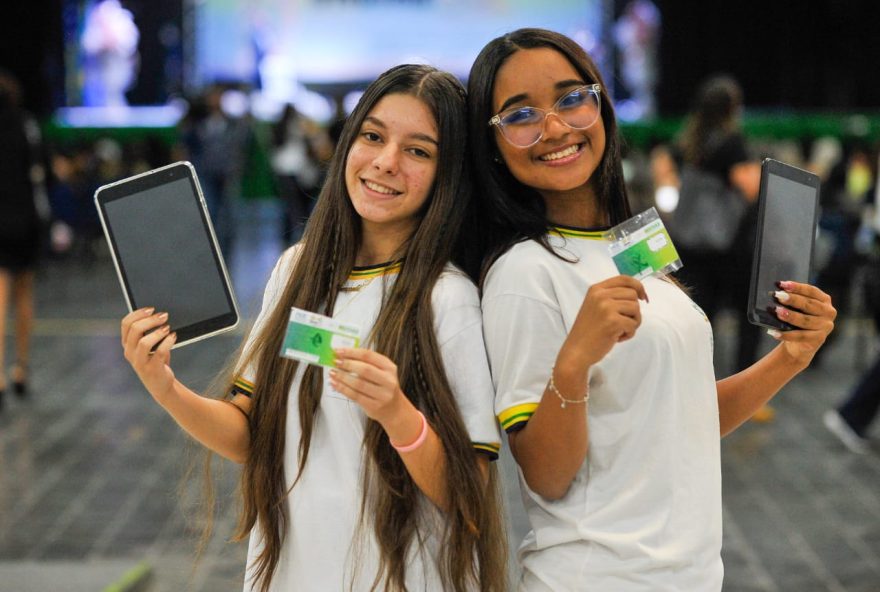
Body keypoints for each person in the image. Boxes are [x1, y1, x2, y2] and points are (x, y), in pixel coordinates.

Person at [466, 28, 836, 591]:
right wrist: (574, 361)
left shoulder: (633, 240)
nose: (556, 127)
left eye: (571, 98)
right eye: (521, 116)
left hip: (689, 575)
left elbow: (682, 415)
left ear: (600, 106)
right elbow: (544, 475)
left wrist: (790, 356)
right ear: (493, 144)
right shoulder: (522, 271)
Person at [121, 64, 506, 592]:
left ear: (447, 175)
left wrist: (399, 416)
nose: (386, 162)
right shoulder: (296, 271)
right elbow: (251, 437)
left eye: (418, 151)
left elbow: (469, 501)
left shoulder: (449, 298)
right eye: (372, 136)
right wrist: (165, 388)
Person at [675, 75, 764, 379]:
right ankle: (746, 385)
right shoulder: (732, 144)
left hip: (691, 243)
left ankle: (693, 382)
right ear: (732, 108)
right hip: (727, 248)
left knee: (700, 317)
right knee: (747, 318)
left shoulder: (690, 141)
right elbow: (751, 187)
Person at [0, 70, 44, 410]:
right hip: (27, 219)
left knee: (0, 296)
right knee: (25, 292)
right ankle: (21, 369)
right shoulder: (27, 125)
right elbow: (39, 174)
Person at [269, 103, 332, 244]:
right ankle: (298, 236)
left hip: (289, 171)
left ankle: (291, 237)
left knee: (291, 207)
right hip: (295, 171)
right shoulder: (300, 128)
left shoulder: (281, 129)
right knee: (297, 207)